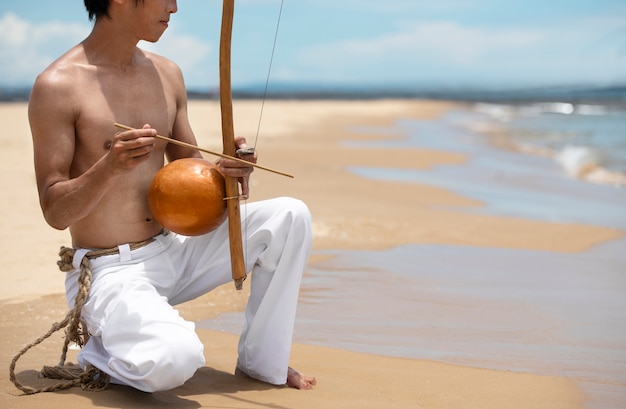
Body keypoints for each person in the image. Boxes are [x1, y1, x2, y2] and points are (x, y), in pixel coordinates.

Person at [29, 0, 316, 392]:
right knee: (176, 360)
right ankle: (101, 356)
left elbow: (192, 175)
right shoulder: (58, 86)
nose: (175, 7)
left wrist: (229, 175)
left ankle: (262, 363)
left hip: (175, 248)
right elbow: (54, 210)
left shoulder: (167, 73)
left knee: (290, 216)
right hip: (113, 271)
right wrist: (109, 167)